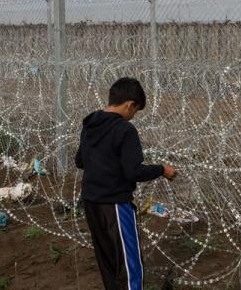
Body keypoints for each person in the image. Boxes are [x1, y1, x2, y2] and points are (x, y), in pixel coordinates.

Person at [75, 77, 177, 290]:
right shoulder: (124, 130)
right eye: (135, 111)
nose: (133, 116)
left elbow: (80, 161)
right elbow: (134, 171)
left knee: (108, 262)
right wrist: (162, 169)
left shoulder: (90, 124)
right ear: (130, 105)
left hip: (91, 202)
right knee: (129, 266)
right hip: (115, 204)